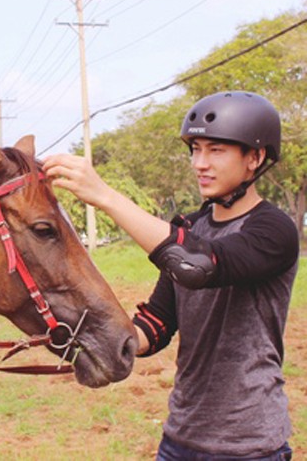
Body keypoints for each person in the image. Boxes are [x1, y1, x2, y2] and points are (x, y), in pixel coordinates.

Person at [44, 91, 297, 460]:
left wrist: (106, 197)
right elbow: (158, 322)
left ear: (255, 158)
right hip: (179, 439)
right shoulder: (191, 227)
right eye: (195, 149)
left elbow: (200, 264)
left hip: (249, 445)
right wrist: (91, 339)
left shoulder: (274, 230)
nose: (200, 163)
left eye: (216, 150)